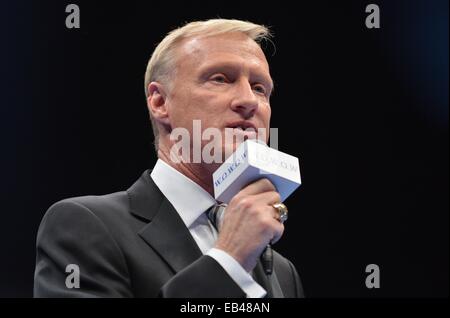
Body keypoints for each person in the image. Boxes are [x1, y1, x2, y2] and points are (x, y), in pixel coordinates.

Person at [34, 19, 304, 298]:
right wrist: (230, 261)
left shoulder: (283, 273)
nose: (248, 100)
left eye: (260, 88)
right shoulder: (85, 226)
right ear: (160, 102)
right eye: (221, 79)